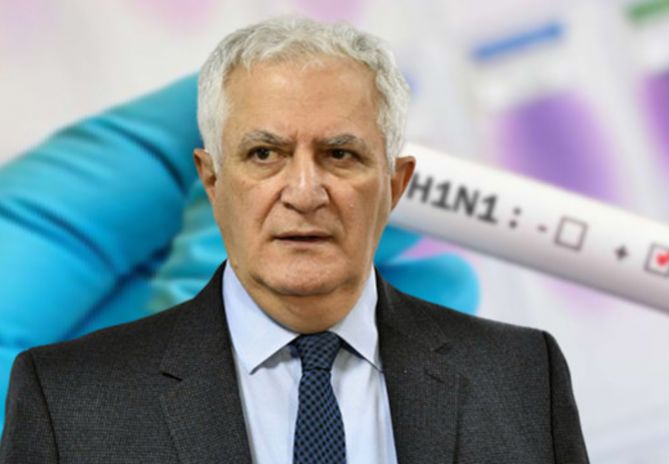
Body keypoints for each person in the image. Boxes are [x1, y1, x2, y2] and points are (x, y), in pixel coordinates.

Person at [0, 16, 588, 463]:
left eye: (340, 154)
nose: (305, 192)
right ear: (210, 179)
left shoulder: (522, 375)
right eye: (264, 153)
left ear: (395, 185)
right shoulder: (66, 398)